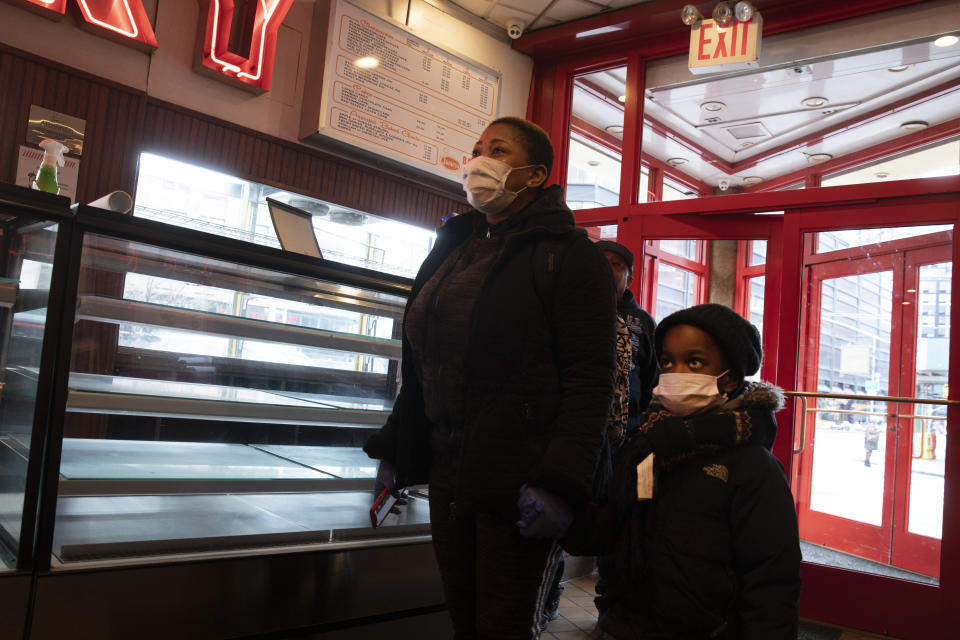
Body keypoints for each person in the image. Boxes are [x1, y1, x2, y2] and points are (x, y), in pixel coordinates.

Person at [363, 116, 618, 640]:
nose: (478, 160)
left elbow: (592, 378)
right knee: (464, 617)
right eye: (477, 148)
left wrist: (559, 482)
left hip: (519, 479)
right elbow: (423, 359)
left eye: (496, 150)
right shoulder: (456, 244)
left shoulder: (570, 257)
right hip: (448, 467)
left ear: (533, 174)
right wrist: (400, 443)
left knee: (501, 626)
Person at [564, 303, 802, 639]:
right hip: (628, 626)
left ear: (731, 377)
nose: (676, 374)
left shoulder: (752, 468)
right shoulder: (648, 448)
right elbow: (620, 523)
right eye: (667, 361)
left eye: (695, 362)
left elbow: (772, 581)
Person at [595, 240, 658, 433]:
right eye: (600, 262)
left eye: (614, 264)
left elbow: (652, 379)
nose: (605, 269)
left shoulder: (643, 322)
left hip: (628, 429)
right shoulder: (569, 311)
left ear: (629, 279)